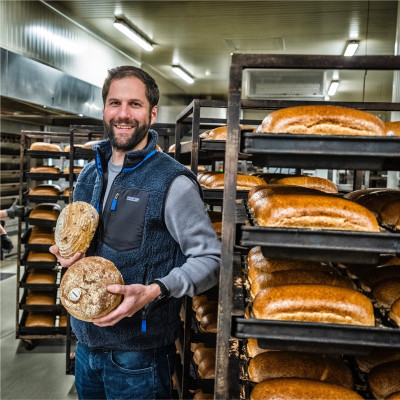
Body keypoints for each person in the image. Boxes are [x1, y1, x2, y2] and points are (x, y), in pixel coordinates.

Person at [50, 66, 221, 400]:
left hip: (138, 356)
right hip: (86, 348)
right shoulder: (88, 174)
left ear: (152, 113)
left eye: (135, 104)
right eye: (115, 103)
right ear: (104, 109)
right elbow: (82, 242)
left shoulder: (172, 182)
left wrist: (156, 289)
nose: (123, 114)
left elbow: (210, 259)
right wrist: (67, 258)